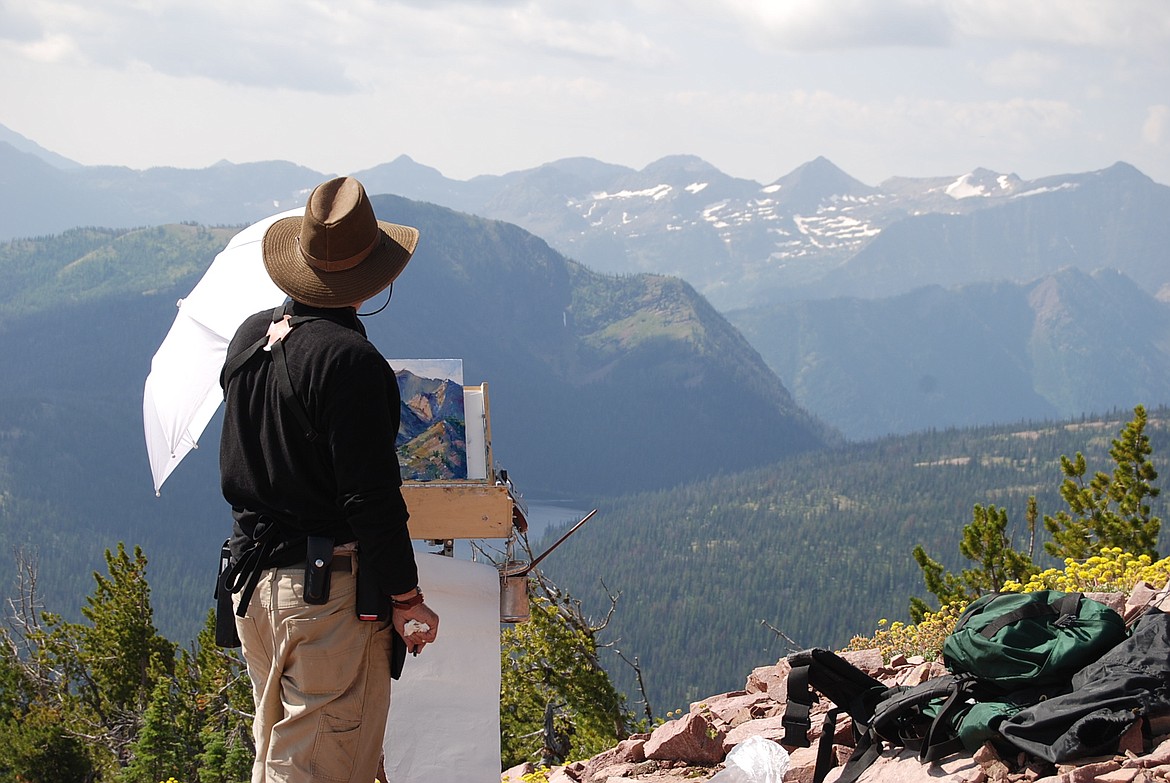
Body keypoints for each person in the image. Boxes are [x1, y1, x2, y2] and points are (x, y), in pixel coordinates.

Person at [218, 176, 439, 783]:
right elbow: (370, 499)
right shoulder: (352, 363)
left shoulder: (248, 339)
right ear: (372, 280)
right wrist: (405, 597)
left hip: (254, 588)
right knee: (320, 766)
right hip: (324, 600)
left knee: (281, 757)